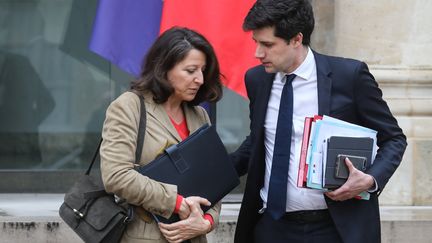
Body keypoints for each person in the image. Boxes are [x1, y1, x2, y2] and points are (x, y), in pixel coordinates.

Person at [230, 1, 407, 243]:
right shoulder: (256, 79)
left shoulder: (349, 76)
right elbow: (259, 141)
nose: (258, 53)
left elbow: (394, 138)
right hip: (271, 227)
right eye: (256, 43)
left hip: (334, 228)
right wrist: (209, 178)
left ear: (296, 39)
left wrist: (370, 179)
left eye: (268, 44)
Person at [100, 27, 223, 243]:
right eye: (191, 70)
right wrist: (176, 203)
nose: (200, 79)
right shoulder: (128, 107)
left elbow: (213, 181)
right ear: (164, 68)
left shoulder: (199, 115)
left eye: (203, 70)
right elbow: (116, 175)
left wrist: (206, 222)